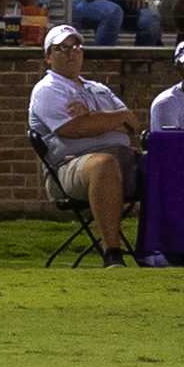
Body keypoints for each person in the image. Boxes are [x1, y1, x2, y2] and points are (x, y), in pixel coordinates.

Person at [26, 23, 141, 268]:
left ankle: (167, 248)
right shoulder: (47, 90)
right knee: (104, 165)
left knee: (169, 163)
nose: (71, 52)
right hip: (70, 168)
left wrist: (92, 115)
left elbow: (133, 123)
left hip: (124, 158)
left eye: (76, 47)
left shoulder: (98, 88)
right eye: (62, 48)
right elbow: (74, 130)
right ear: (48, 57)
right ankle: (113, 254)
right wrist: (113, 119)